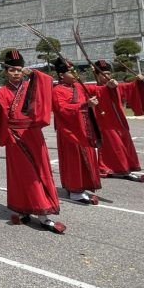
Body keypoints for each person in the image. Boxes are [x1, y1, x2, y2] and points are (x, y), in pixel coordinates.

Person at [0, 50, 65, 233]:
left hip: (33, 135)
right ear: (5, 72)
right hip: (14, 137)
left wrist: (33, 74)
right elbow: (1, 115)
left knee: (40, 172)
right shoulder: (1, 92)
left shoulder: (32, 85)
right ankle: (30, 211)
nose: (16, 73)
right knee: (23, 175)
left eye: (19, 70)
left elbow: (47, 84)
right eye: (12, 70)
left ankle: (38, 212)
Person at [51, 57, 102, 205]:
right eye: (71, 71)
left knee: (85, 157)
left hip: (83, 128)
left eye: (75, 71)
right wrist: (85, 104)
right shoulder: (57, 91)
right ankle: (74, 190)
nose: (75, 74)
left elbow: (99, 89)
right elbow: (62, 109)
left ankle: (82, 186)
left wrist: (110, 85)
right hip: (69, 131)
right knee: (73, 160)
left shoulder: (78, 87)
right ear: (61, 75)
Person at [88, 60, 144, 182]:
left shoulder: (116, 86)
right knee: (115, 147)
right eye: (103, 74)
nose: (106, 76)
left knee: (125, 144)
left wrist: (138, 81)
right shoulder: (92, 88)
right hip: (105, 124)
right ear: (96, 75)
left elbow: (130, 87)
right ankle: (107, 168)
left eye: (108, 73)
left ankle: (126, 167)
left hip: (120, 122)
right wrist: (108, 88)